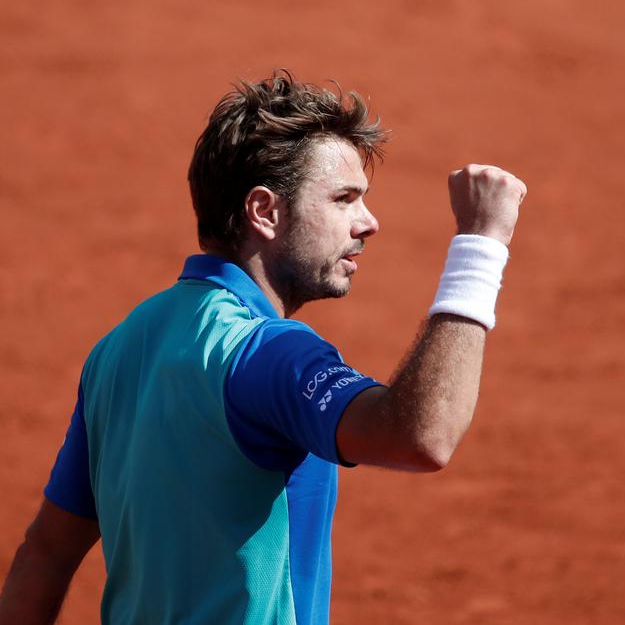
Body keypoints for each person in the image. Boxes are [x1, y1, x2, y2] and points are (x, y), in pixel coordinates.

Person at [0, 71, 527, 624]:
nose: (368, 223)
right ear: (264, 212)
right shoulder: (268, 353)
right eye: (344, 199)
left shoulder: (117, 350)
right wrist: (480, 245)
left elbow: (46, 552)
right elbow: (423, 435)